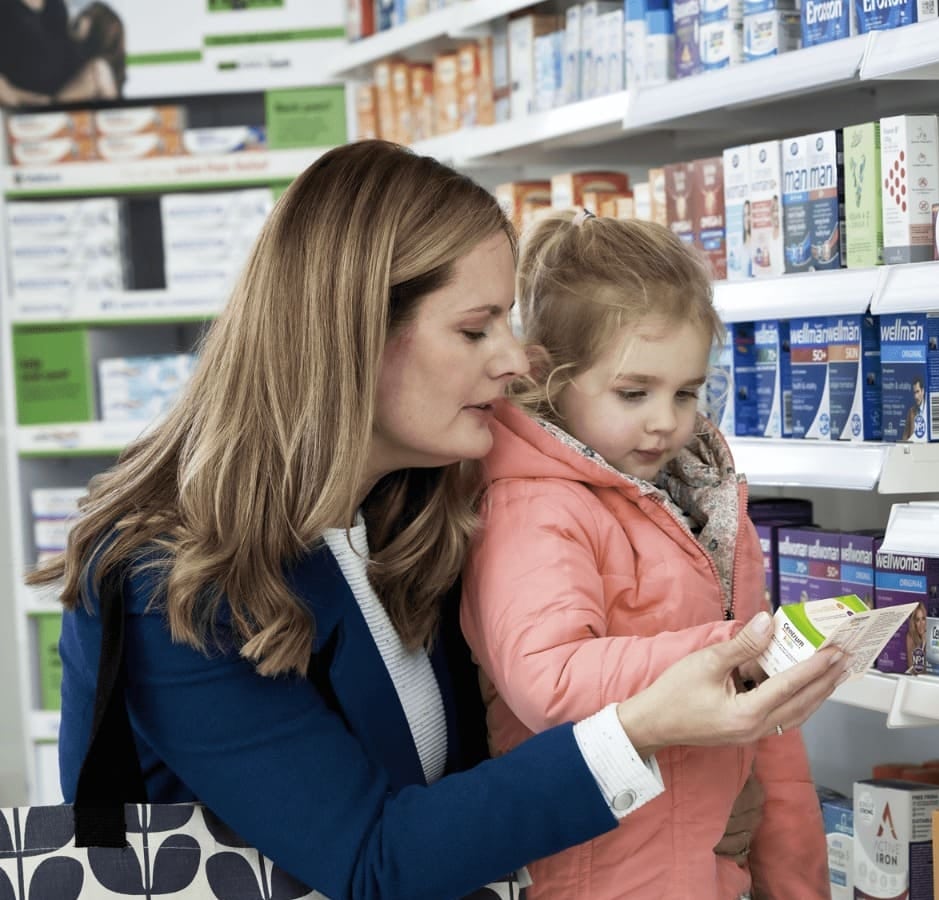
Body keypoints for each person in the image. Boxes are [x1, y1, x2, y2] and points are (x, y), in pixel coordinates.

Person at [32, 141, 848, 900]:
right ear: (356, 333)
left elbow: (483, 787)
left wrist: (684, 812)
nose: (515, 358)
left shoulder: (423, 512)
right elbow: (373, 860)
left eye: (509, 322)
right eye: (475, 327)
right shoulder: (172, 577)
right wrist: (638, 733)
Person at [460, 211, 828, 899]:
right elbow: (550, 677)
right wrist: (725, 649)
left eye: (686, 392)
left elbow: (769, 735)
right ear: (550, 377)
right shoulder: (534, 507)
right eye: (635, 393)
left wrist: (798, 884)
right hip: (598, 876)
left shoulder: (703, 507)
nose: (667, 420)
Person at [0, 0, 125, 107]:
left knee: (100, 69)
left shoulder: (57, 7)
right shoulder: (6, 9)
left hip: (62, 98)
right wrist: (21, 99)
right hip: (27, 106)